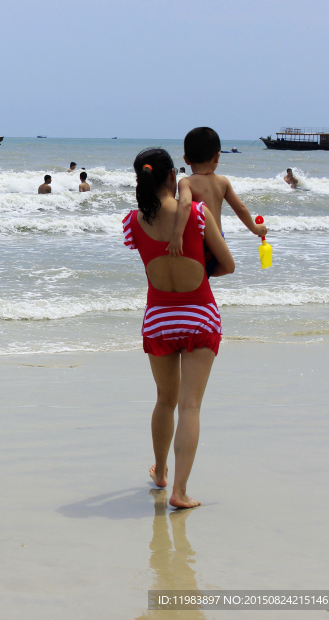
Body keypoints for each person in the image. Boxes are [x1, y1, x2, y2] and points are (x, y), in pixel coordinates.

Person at [123, 147, 234, 509]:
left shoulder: (132, 221)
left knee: (164, 400)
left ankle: (160, 474)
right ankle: (180, 492)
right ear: (173, 176)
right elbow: (228, 265)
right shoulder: (198, 215)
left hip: (158, 318)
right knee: (190, 406)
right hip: (199, 314)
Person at [169, 127, 266, 273]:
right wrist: (254, 228)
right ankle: (204, 275)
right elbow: (240, 208)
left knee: (193, 276)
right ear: (217, 157)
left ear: (186, 160)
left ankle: (200, 277)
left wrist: (177, 235)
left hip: (198, 243)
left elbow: (185, 204)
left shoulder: (186, 182)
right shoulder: (223, 181)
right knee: (226, 268)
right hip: (218, 241)